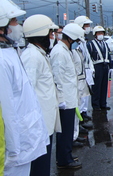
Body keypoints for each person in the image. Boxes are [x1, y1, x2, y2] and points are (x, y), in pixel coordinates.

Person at [0, 0, 48, 175]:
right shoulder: (2, 60)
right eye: (14, 21)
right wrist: (12, 149)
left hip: (27, 137)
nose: (18, 26)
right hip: (17, 146)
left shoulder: (12, 52)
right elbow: (6, 109)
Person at [21, 14, 62, 176]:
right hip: (39, 121)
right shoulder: (31, 56)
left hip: (45, 119)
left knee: (44, 161)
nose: (52, 37)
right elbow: (27, 91)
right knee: (40, 165)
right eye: (50, 34)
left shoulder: (39, 53)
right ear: (40, 35)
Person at [50, 23, 85, 169]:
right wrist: (62, 100)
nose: (77, 43)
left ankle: (66, 156)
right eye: (77, 40)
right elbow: (57, 77)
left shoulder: (65, 50)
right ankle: (64, 160)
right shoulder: (59, 52)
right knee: (64, 132)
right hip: (65, 100)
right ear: (71, 38)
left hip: (70, 98)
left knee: (68, 130)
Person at [87, 26, 113, 110]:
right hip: (96, 67)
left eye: (102, 33)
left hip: (105, 66)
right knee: (96, 87)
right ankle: (96, 105)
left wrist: (111, 66)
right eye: (99, 33)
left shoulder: (105, 43)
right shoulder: (91, 44)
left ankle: (103, 103)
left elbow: (108, 55)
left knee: (104, 86)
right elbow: (88, 57)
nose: (100, 35)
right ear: (95, 34)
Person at [73, 16, 95, 121]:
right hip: (80, 72)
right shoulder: (75, 42)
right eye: (86, 26)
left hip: (87, 70)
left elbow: (87, 56)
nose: (88, 28)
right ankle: (80, 115)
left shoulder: (83, 41)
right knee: (80, 94)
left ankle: (84, 111)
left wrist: (91, 67)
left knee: (86, 94)